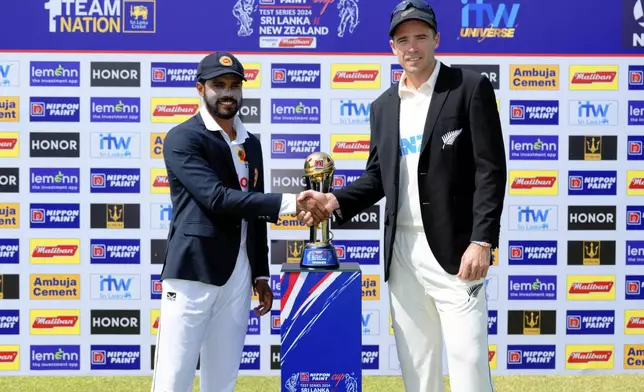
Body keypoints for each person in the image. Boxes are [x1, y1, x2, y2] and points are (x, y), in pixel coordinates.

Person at [299, 1, 507, 391]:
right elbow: (378, 177)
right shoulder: (383, 106)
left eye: (420, 37)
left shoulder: (469, 87)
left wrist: (482, 241)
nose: (412, 47)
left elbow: (490, 170)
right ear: (392, 47)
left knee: (470, 363)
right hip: (402, 254)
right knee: (416, 367)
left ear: (436, 39)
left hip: (457, 249)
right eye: (403, 39)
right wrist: (335, 202)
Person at [151, 51, 328, 392]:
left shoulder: (251, 143)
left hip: (239, 274)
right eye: (218, 85)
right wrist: (292, 202)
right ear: (200, 89)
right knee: (173, 378)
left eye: (234, 85)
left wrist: (260, 272)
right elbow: (216, 198)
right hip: (193, 272)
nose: (228, 93)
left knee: (223, 379)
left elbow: (254, 213)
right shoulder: (183, 138)